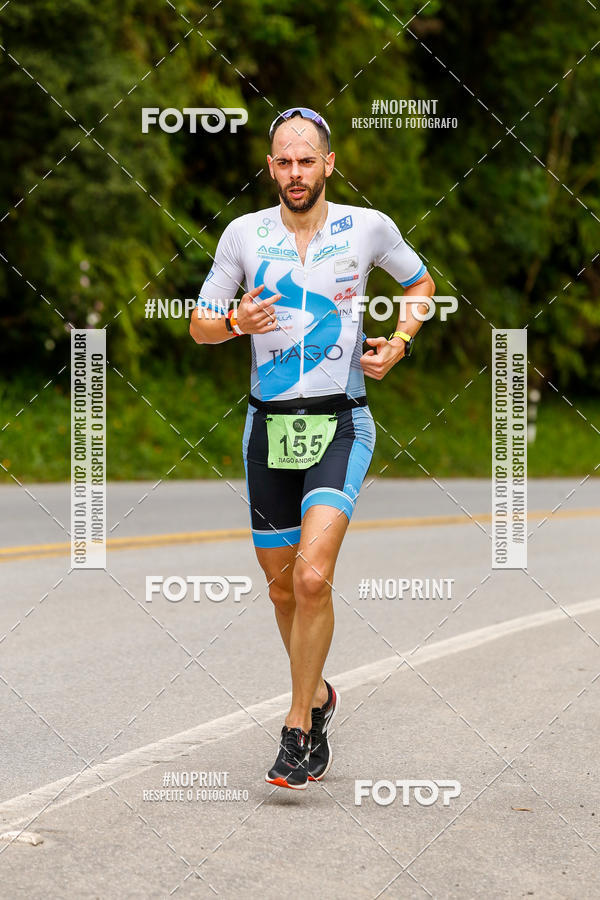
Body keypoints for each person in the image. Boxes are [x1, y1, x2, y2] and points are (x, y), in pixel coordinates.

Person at [190, 107, 435, 790]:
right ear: (271, 168)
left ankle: (299, 729)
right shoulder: (245, 236)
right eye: (284, 162)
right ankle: (320, 690)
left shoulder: (368, 227)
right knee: (280, 590)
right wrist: (236, 320)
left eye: (308, 161)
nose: (296, 173)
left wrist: (402, 339)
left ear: (329, 164)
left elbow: (421, 285)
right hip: (268, 426)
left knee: (310, 577)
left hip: (343, 419)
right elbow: (199, 325)